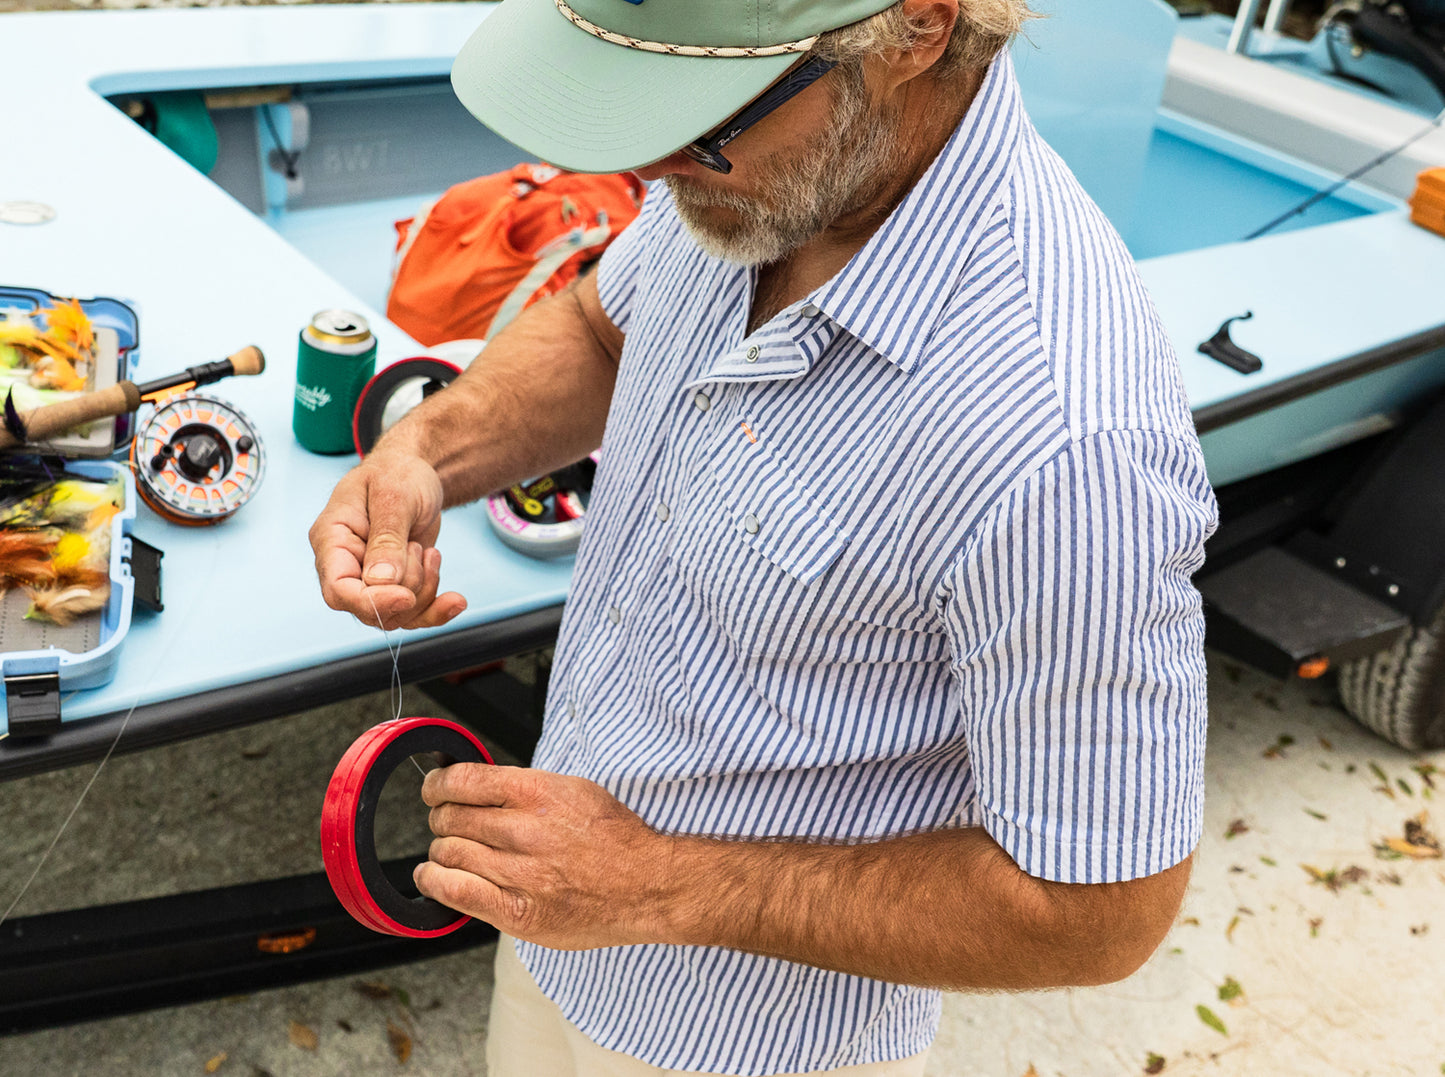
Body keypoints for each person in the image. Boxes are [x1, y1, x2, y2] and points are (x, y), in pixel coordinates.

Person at [309, 0, 1220, 1073]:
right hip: (560, 930)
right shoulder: (756, 176)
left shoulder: (1064, 441)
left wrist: (654, 882)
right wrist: (427, 449)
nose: (649, 166)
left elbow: (1097, 908)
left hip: (747, 1045)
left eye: (698, 117)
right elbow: (604, 331)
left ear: (917, 30)